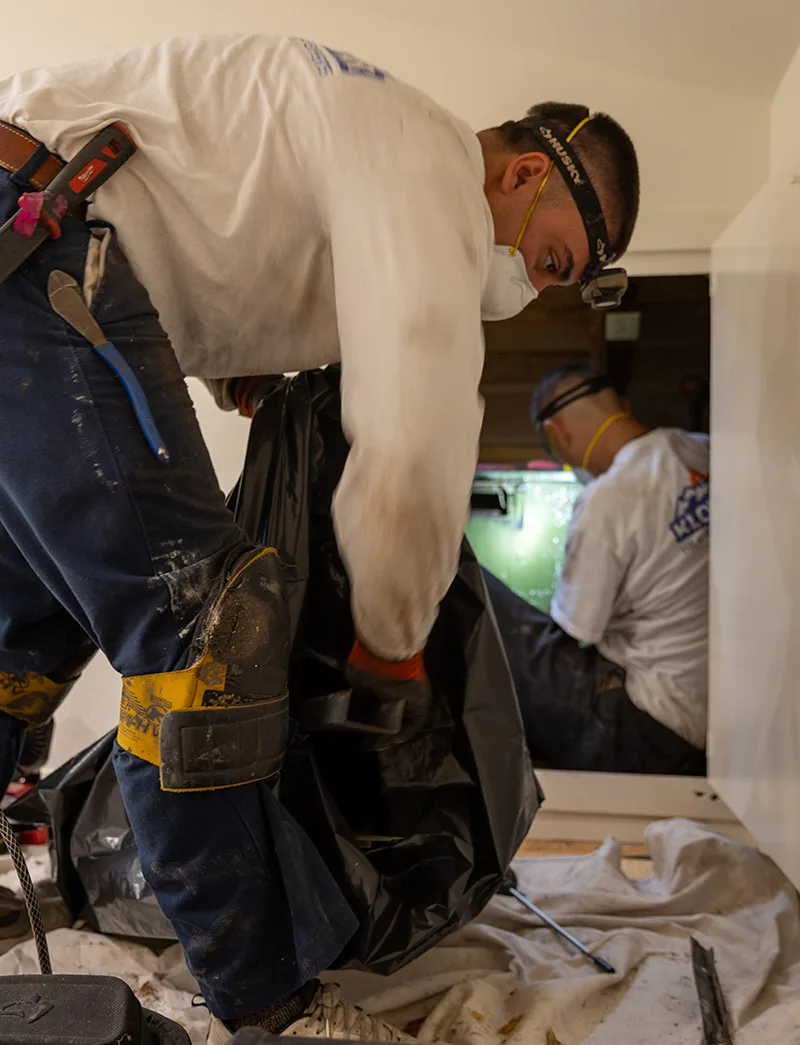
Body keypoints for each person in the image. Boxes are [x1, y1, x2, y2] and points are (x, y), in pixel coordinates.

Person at [0, 37, 639, 1042]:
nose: (533, 285)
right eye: (550, 259)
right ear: (522, 172)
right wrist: (391, 633)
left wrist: (234, 372)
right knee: (207, 639)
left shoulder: (353, 117)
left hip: (26, 242)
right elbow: (416, 421)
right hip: (44, 248)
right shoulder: (426, 153)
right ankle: (269, 1004)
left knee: (21, 647)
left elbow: (190, 223)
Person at [484, 365, 709, 777]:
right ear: (621, 406)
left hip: (643, 733)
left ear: (556, 434)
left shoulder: (609, 498)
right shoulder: (704, 452)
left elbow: (575, 633)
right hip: (713, 724)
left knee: (478, 590)